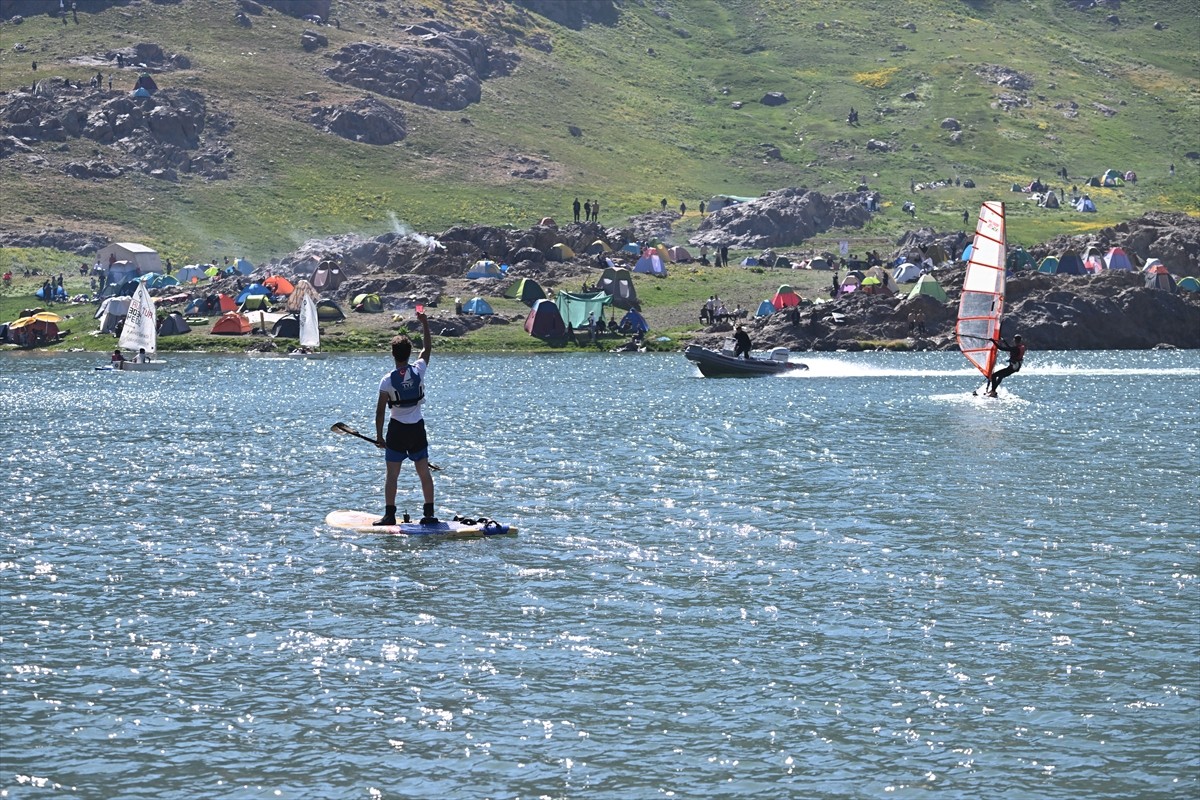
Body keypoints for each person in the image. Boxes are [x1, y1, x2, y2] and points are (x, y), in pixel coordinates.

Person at [374, 314, 436, 526]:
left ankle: (389, 515)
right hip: (417, 429)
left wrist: (379, 436)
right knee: (424, 472)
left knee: (392, 475)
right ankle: (429, 514)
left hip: (397, 431)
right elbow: (427, 349)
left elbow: (380, 412)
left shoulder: (387, 380)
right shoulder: (419, 370)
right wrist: (425, 323)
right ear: (409, 354)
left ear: (393, 354)